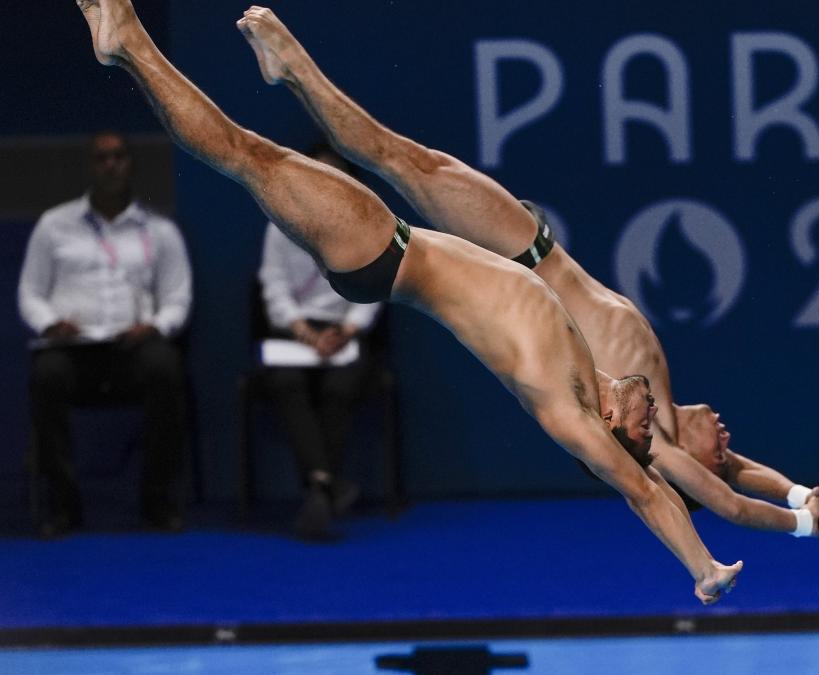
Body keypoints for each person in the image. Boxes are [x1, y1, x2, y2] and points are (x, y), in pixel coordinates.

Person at [74, 0, 750, 603]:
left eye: (645, 430)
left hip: (383, 257)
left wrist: (703, 563)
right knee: (363, 154)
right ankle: (286, 65)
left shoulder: (570, 413)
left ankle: (129, 43)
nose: (653, 414)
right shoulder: (590, 366)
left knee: (247, 155)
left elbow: (644, 490)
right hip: (395, 245)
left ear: (615, 433)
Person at [234, 6, 819, 542]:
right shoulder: (666, 416)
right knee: (405, 160)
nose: (728, 442)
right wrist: (798, 492)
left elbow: (730, 504)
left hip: (522, 258)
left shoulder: (660, 448)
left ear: (693, 470)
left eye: (719, 452)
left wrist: (797, 525)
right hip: (532, 246)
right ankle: (293, 74)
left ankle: (295, 70)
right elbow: (741, 475)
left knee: (399, 159)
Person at [18, 130, 192, 536]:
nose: (111, 164)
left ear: (131, 164)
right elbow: (30, 293)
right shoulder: (54, 226)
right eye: (102, 158)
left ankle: (157, 501)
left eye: (118, 156)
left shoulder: (159, 231)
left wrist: (155, 326)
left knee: (166, 367)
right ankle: (63, 505)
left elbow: (178, 299)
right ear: (90, 167)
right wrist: (49, 323)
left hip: (133, 349)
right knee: (46, 375)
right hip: (74, 351)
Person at [257, 144, 383, 538]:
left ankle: (318, 487)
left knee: (340, 387)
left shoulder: (367, 225)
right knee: (284, 381)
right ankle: (325, 485)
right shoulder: (279, 222)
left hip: (345, 331)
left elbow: (376, 287)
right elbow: (273, 285)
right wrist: (306, 334)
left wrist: (346, 331)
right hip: (297, 333)